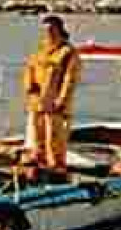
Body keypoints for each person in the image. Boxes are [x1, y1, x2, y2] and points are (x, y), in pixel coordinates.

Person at [23, 15, 81, 174]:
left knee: (54, 140)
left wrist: (61, 100)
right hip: (38, 103)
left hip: (56, 106)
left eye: (51, 30)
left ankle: (57, 168)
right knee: (37, 138)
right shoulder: (39, 51)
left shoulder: (68, 53)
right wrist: (30, 92)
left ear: (59, 29)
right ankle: (39, 164)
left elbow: (70, 80)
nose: (48, 33)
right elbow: (29, 70)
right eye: (45, 30)